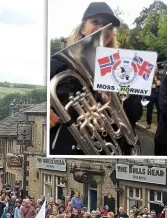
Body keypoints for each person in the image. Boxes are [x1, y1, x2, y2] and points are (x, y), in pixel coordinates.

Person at [49, 2, 142, 155]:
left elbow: (135, 113)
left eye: (109, 26)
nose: (103, 28)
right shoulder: (57, 64)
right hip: (67, 148)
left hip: (113, 147)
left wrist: (124, 89)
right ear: (82, 28)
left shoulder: (123, 65)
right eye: (95, 22)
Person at [154, 65, 167, 156]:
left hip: (158, 94)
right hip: (166, 140)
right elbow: (166, 107)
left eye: (156, 67)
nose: (155, 68)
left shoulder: (159, 75)